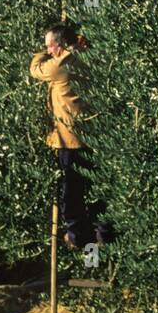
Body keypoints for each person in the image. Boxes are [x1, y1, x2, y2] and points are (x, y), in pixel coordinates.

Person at [29, 21, 113, 249]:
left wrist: (39, 53)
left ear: (61, 45)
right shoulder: (88, 56)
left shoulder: (59, 66)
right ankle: (103, 235)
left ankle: (78, 238)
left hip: (69, 140)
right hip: (95, 137)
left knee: (71, 193)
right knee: (96, 187)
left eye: (50, 46)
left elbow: (34, 69)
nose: (48, 50)